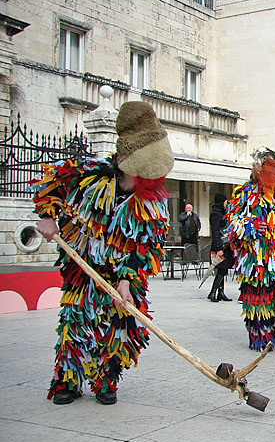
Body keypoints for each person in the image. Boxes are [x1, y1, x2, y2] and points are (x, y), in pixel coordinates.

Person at [31, 101, 173, 405]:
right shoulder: (91, 177)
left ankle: (106, 381)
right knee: (76, 321)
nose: (152, 181)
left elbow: (146, 246)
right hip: (82, 269)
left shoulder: (155, 203)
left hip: (122, 274)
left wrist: (127, 280)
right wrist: (47, 214)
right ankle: (68, 382)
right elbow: (51, 182)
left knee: (123, 327)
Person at [225, 147, 275, 350]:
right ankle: (261, 338)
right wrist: (250, 226)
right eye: (271, 169)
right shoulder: (243, 193)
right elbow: (232, 225)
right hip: (256, 261)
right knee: (258, 299)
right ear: (258, 169)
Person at [207, 192, 233, 302]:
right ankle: (212, 292)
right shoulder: (215, 214)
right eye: (225, 202)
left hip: (225, 245)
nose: (226, 203)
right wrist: (218, 248)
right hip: (219, 246)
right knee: (221, 269)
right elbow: (215, 232)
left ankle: (221, 292)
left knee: (224, 269)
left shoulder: (223, 212)